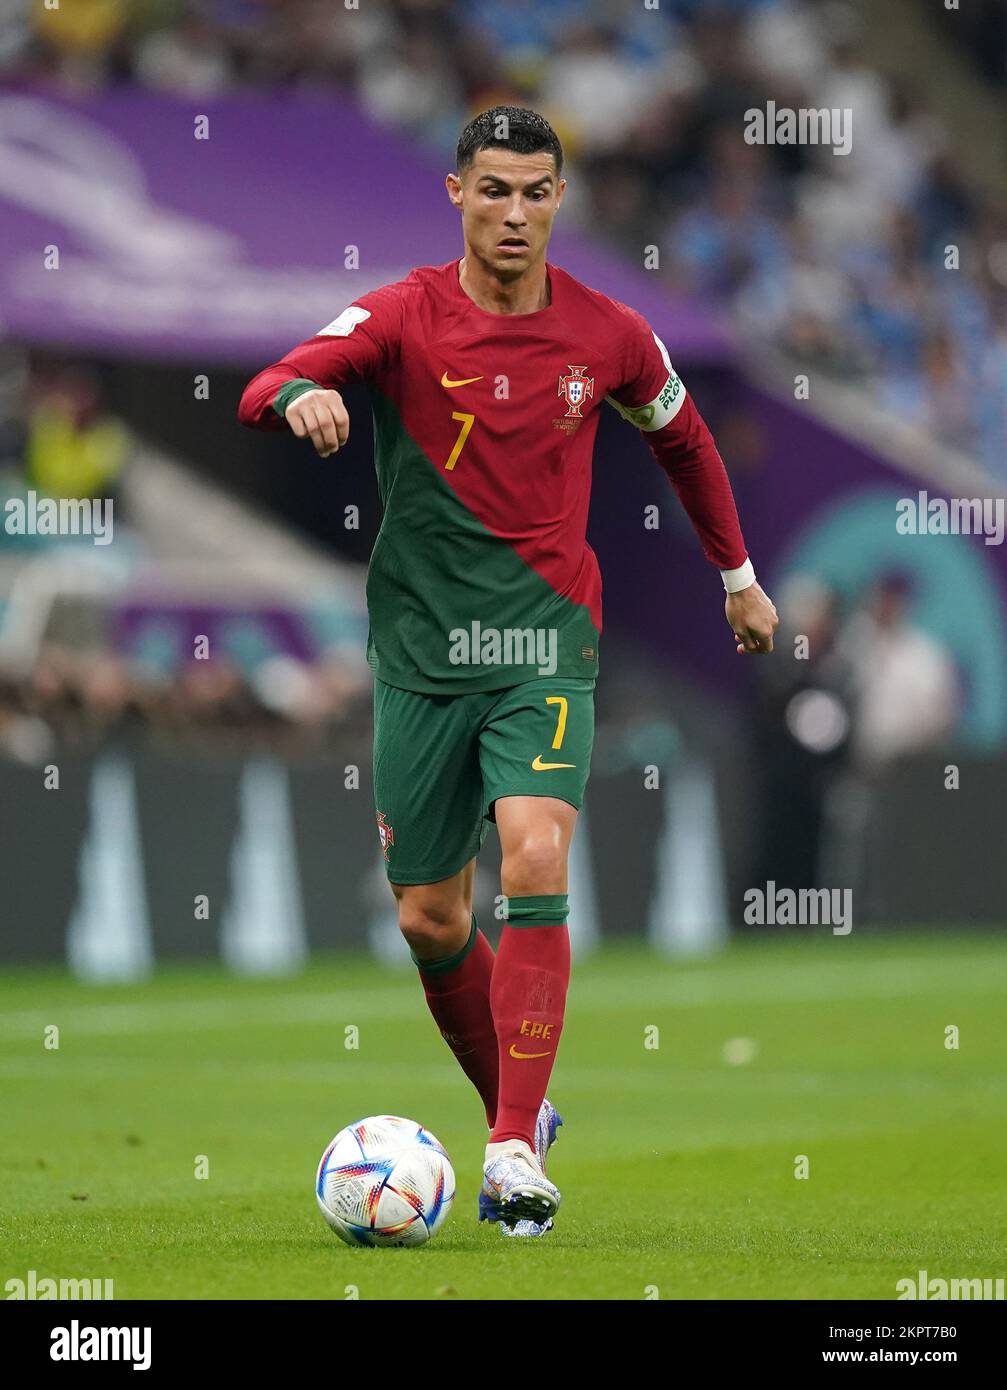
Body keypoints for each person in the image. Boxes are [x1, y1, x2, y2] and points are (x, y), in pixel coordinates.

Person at [238, 106, 778, 1237]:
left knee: (533, 849)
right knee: (433, 919)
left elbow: (681, 437)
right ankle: (521, 1117)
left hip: (542, 646)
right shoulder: (397, 316)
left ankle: (507, 1152)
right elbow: (269, 380)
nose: (516, 213)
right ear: (456, 196)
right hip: (419, 659)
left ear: (558, 201)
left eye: (536, 193)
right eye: (494, 191)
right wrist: (303, 395)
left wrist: (734, 576)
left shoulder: (609, 334)